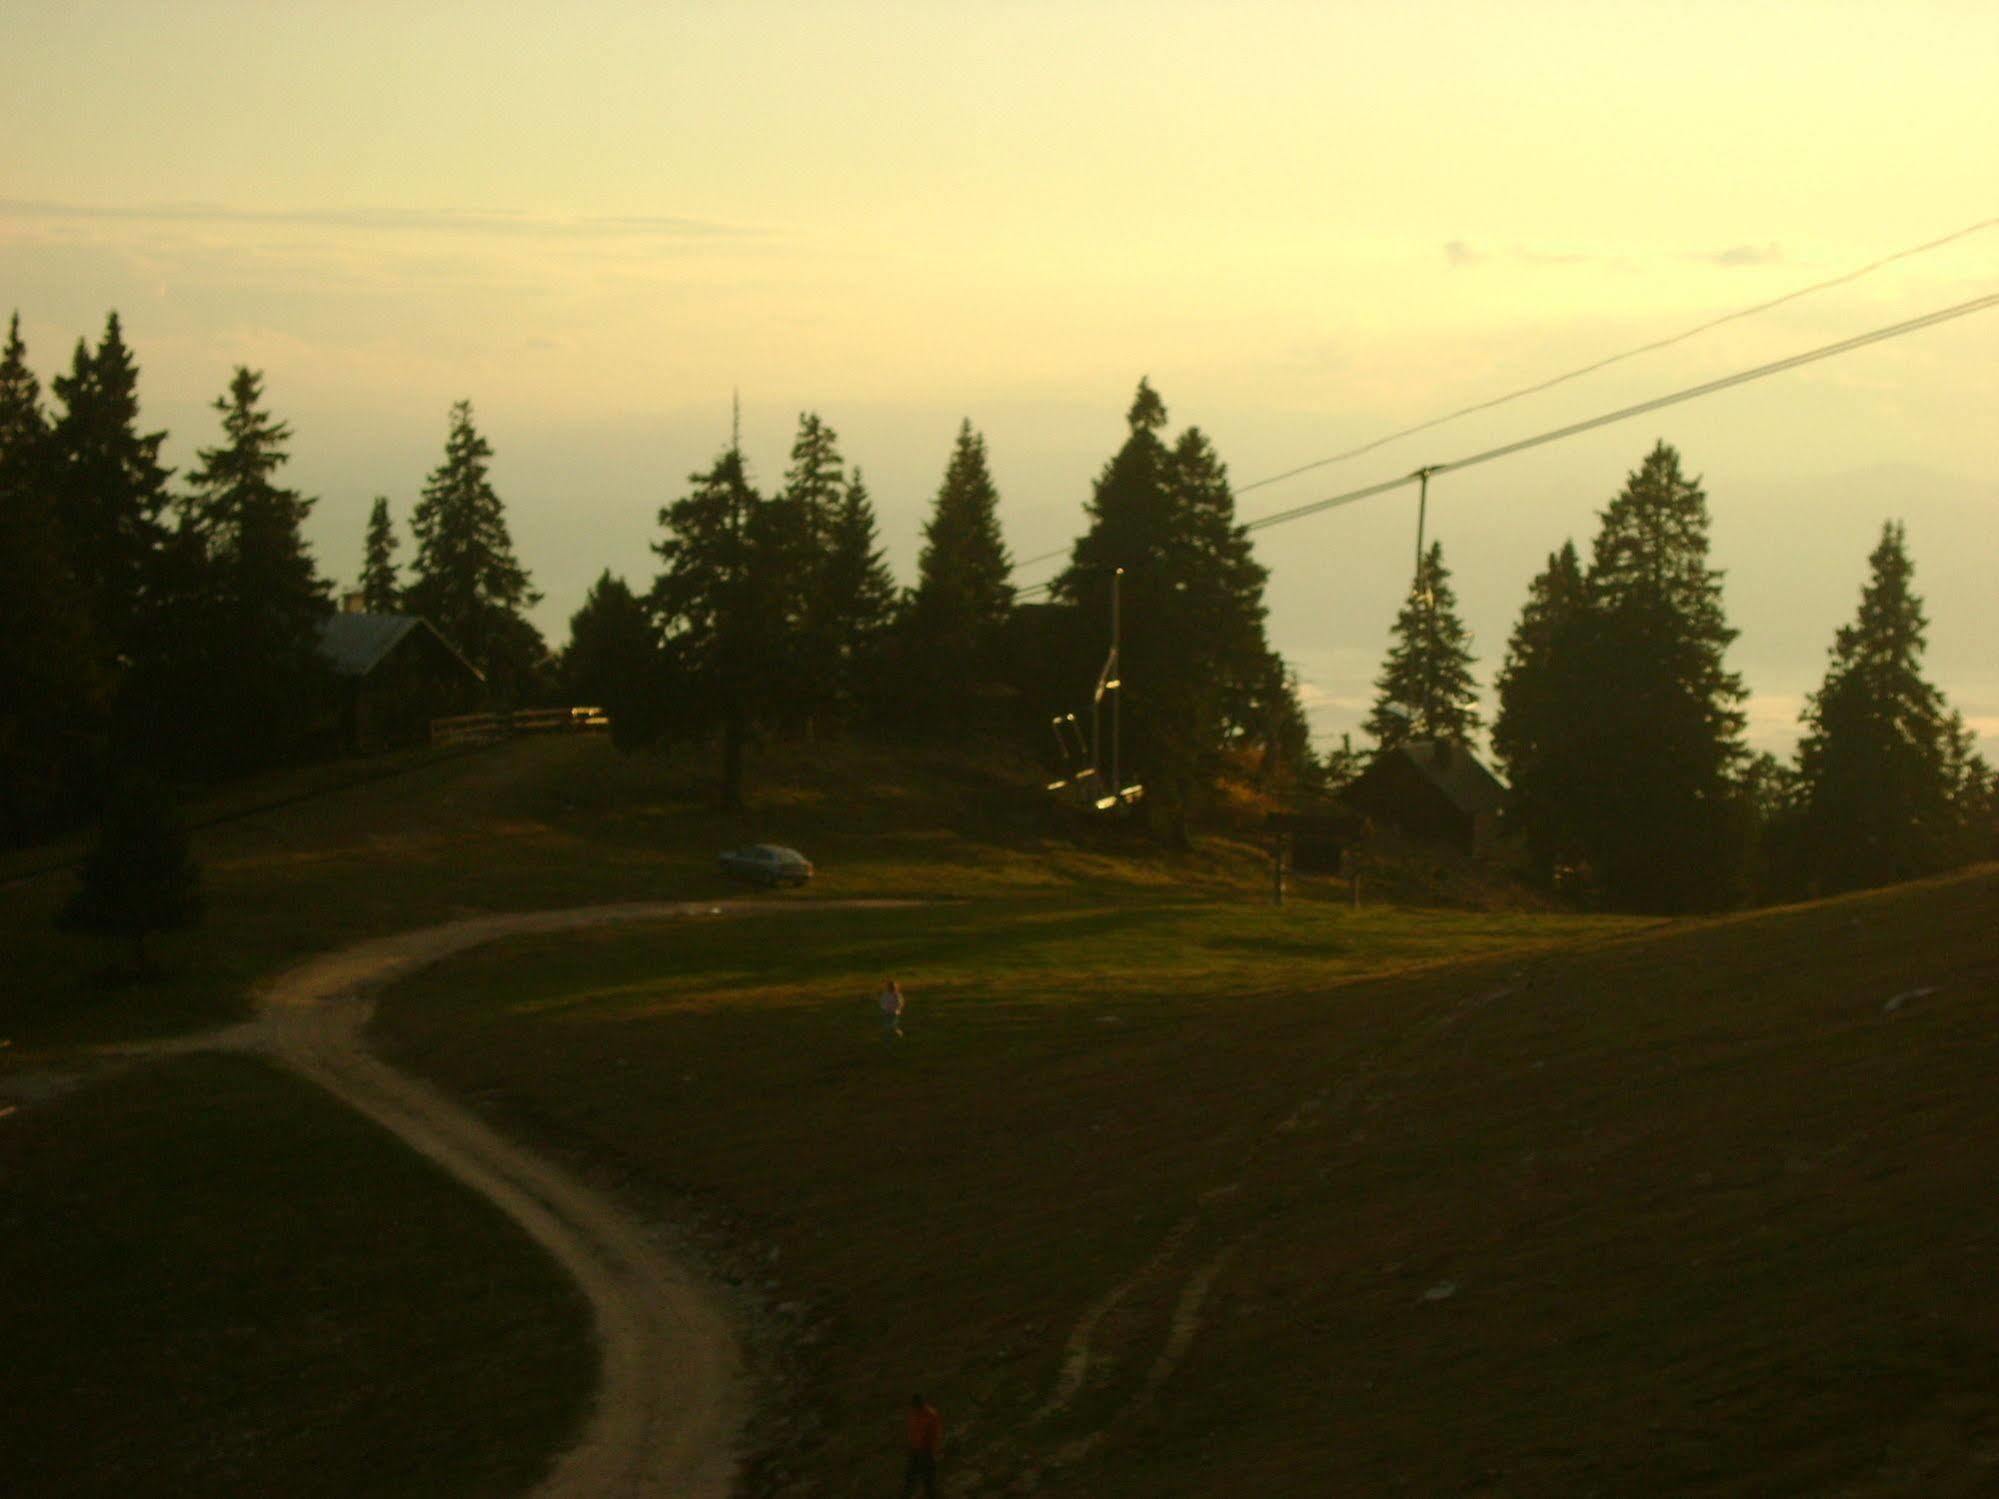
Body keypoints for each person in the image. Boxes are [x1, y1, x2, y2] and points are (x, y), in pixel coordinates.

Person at [903, 1392, 942, 1497]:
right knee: (911, 1476)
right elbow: (912, 1431)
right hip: (915, 1449)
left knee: (927, 1478)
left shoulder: (930, 1415)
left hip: (926, 1450)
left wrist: (932, 1450)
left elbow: (935, 1434)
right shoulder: (914, 1414)